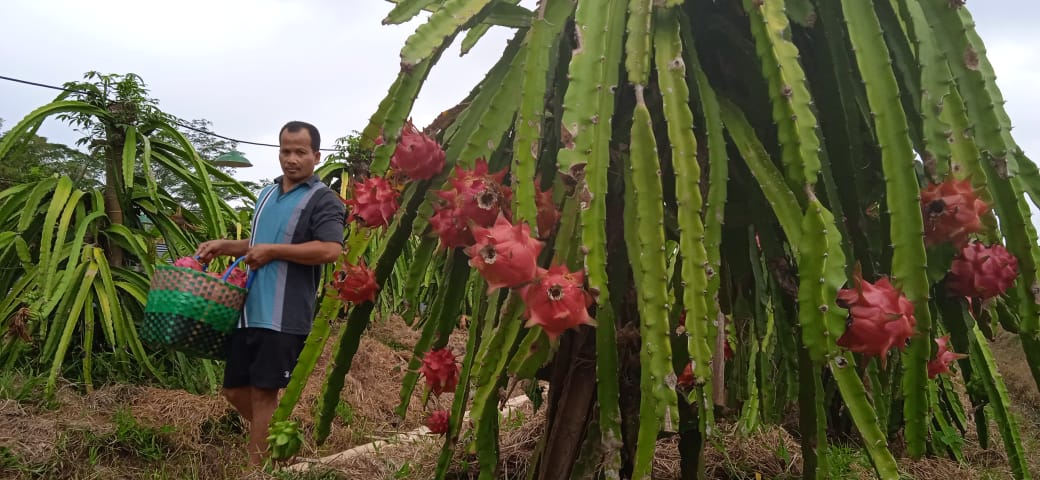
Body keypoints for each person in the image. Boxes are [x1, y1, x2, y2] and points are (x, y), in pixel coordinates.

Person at [195, 121, 345, 465]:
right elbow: (258, 244)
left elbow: (330, 250)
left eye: (300, 152)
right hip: (248, 310)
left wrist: (274, 252)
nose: (291, 159)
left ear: (316, 156)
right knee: (234, 390)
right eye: (285, 151)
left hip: (284, 316)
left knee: (264, 395)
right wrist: (224, 245)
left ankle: (257, 470)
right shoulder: (266, 193)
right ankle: (281, 444)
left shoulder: (323, 200)